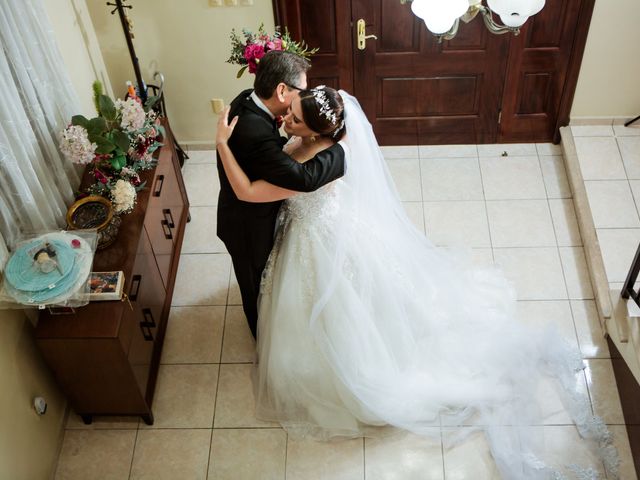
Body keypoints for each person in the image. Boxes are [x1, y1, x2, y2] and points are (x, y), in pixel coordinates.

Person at [215, 87, 618, 479]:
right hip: (314, 231)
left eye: (295, 119)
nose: (286, 119)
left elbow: (248, 192)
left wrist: (221, 146)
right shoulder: (328, 132)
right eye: (289, 111)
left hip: (319, 240)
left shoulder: (313, 171)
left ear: (318, 132)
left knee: (341, 310)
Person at [217, 50, 346, 339]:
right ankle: (260, 334)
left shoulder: (245, 98)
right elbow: (303, 178)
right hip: (248, 226)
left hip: (295, 222)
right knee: (253, 285)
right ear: (282, 90)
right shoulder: (259, 137)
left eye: (297, 118)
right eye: (300, 90)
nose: (289, 118)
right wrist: (342, 152)